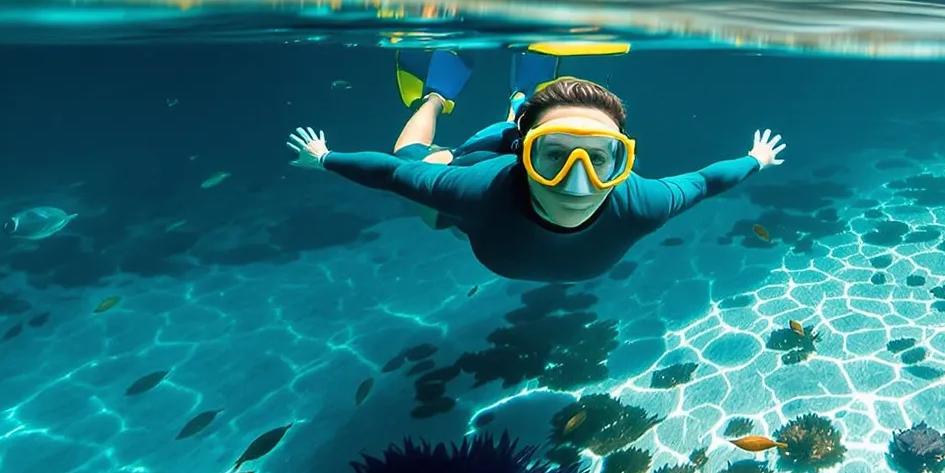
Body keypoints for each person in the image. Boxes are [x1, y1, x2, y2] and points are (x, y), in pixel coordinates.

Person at [288, 54, 784, 283]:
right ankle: (438, 97)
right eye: (555, 156)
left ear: (621, 161)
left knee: (429, 185)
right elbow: (392, 172)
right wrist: (324, 158)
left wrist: (756, 160)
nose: (576, 181)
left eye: (598, 158)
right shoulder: (474, 189)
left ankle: (519, 102)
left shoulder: (642, 202)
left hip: (510, 161)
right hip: (484, 157)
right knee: (418, 165)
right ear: (526, 157)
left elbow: (705, 181)